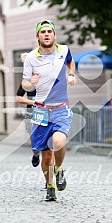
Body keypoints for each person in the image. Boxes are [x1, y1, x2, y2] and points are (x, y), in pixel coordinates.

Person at [22, 20, 76, 201]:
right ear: (38, 36)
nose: (46, 34)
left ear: (54, 35)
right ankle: (50, 185)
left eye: (49, 31)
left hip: (61, 107)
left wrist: (72, 75)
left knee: (58, 141)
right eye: (43, 32)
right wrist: (31, 84)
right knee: (45, 154)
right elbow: (24, 83)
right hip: (40, 109)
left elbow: (70, 62)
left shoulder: (64, 50)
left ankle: (59, 169)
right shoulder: (31, 58)